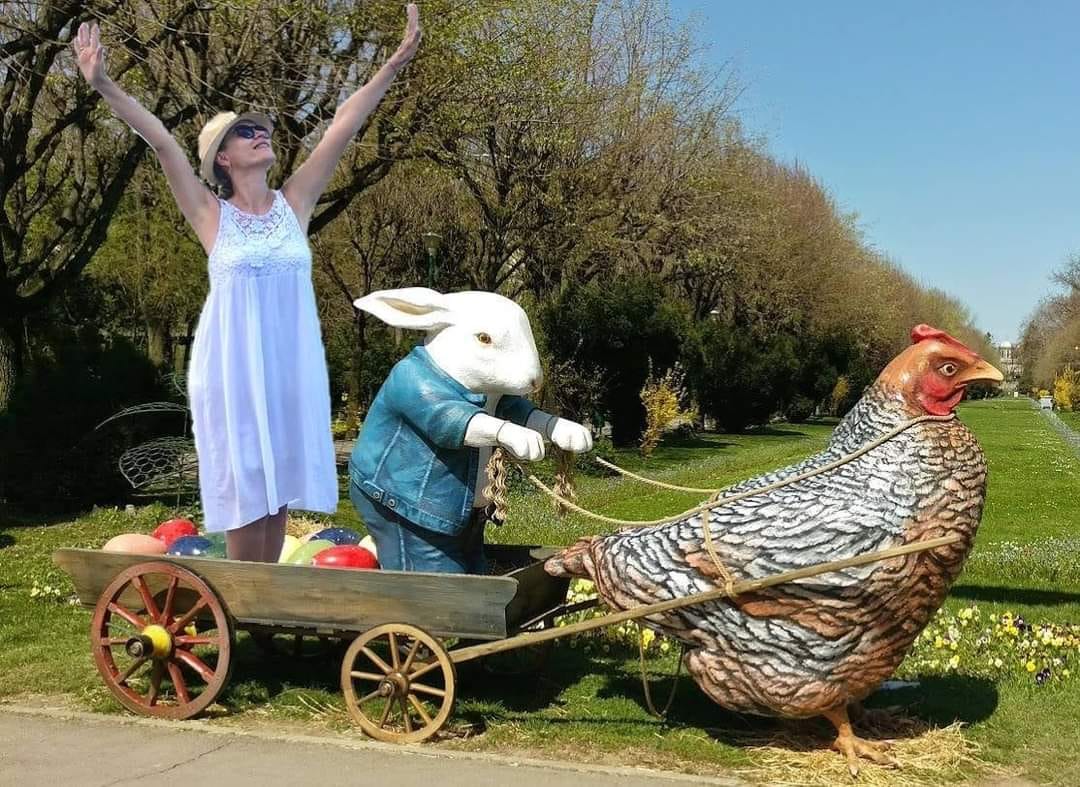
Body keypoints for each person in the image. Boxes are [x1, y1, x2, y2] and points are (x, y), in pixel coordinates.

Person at [73, 6, 422, 561]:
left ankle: (267, 594)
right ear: (223, 159)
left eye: (260, 129)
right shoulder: (210, 214)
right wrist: (103, 83)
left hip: (289, 364)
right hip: (233, 368)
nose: (258, 134)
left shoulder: (295, 203)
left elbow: (343, 125)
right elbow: (161, 141)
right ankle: (244, 596)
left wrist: (394, 63)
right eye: (243, 133)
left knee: (277, 484)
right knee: (245, 484)